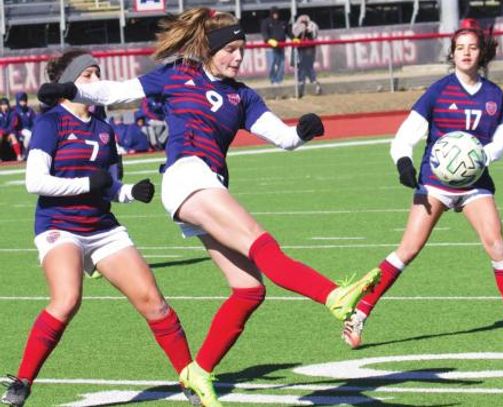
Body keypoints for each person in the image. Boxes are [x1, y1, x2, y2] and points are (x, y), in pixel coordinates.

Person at [38, 8, 380, 407]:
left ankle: (198, 371)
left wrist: (302, 133)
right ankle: (334, 297)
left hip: (208, 184)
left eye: (242, 50)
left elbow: (283, 138)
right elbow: (114, 93)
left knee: (249, 290)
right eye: (231, 49)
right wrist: (69, 92)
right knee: (259, 240)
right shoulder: (178, 74)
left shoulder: (243, 96)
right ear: (210, 49)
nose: (238, 57)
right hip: (185, 175)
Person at [1, 50, 195, 407]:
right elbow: (35, 182)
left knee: (154, 302)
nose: (97, 81)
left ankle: (190, 381)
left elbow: (107, 185)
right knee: (67, 300)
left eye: (98, 75)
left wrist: (130, 193)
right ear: (70, 84)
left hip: (102, 227)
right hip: (60, 226)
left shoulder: (104, 129)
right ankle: (22, 382)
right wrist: (85, 185)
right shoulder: (50, 123)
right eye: (89, 75)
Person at [341, 25, 503, 350]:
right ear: (451, 53)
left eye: (472, 47)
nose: (465, 52)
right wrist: (403, 163)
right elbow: (405, 136)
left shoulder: (494, 95)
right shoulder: (438, 91)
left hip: (475, 184)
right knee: (408, 249)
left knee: (497, 245)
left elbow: (500, 143)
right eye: (459, 47)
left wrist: (478, 156)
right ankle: (357, 316)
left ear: (481, 53)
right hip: (435, 183)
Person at [292, 14, 322, 98]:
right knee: (301, 67)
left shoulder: (312, 25)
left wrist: (309, 31)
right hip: (300, 49)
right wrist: (301, 31)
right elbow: (294, 35)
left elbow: (315, 36)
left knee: (308, 66)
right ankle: (301, 84)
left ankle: (314, 83)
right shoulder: (296, 25)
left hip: (309, 49)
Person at [260, 6, 289, 85]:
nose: (276, 15)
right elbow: (264, 32)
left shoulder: (282, 22)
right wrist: (268, 40)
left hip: (281, 46)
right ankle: (273, 80)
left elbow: (288, 31)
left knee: (281, 64)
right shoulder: (266, 22)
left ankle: (279, 80)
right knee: (272, 63)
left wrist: (294, 38)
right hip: (271, 47)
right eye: (274, 13)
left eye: (277, 13)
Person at [0, 97, 23, 161]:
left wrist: (6, 132)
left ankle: (19, 156)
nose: (4, 106)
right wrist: (2, 132)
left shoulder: (13, 113)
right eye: (2, 105)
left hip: (10, 132)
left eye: (5, 104)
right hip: (1, 133)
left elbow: (12, 125)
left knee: (13, 136)